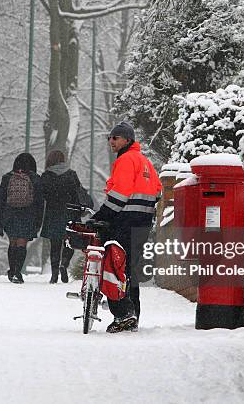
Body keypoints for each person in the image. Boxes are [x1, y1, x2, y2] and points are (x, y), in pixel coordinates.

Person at [91, 121, 162, 333]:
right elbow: (157, 191)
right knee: (129, 268)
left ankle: (123, 313)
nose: (111, 141)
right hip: (142, 223)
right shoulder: (145, 162)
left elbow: (120, 193)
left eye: (115, 137)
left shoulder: (125, 160)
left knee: (114, 265)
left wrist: (102, 215)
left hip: (124, 220)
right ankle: (133, 315)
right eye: (110, 138)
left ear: (127, 140)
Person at [0, 152, 43, 284]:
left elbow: (1, 200)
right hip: (28, 214)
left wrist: (0, 220)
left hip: (10, 214)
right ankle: (18, 271)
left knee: (12, 242)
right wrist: (38, 221)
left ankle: (12, 270)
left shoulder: (7, 178)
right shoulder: (35, 178)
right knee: (22, 242)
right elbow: (40, 202)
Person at [40, 150, 83, 283]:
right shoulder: (71, 174)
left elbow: (42, 194)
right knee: (69, 242)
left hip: (53, 213)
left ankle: (54, 274)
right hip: (69, 211)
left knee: (55, 244)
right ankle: (64, 264)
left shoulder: (46, 176)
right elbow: (78, 194)